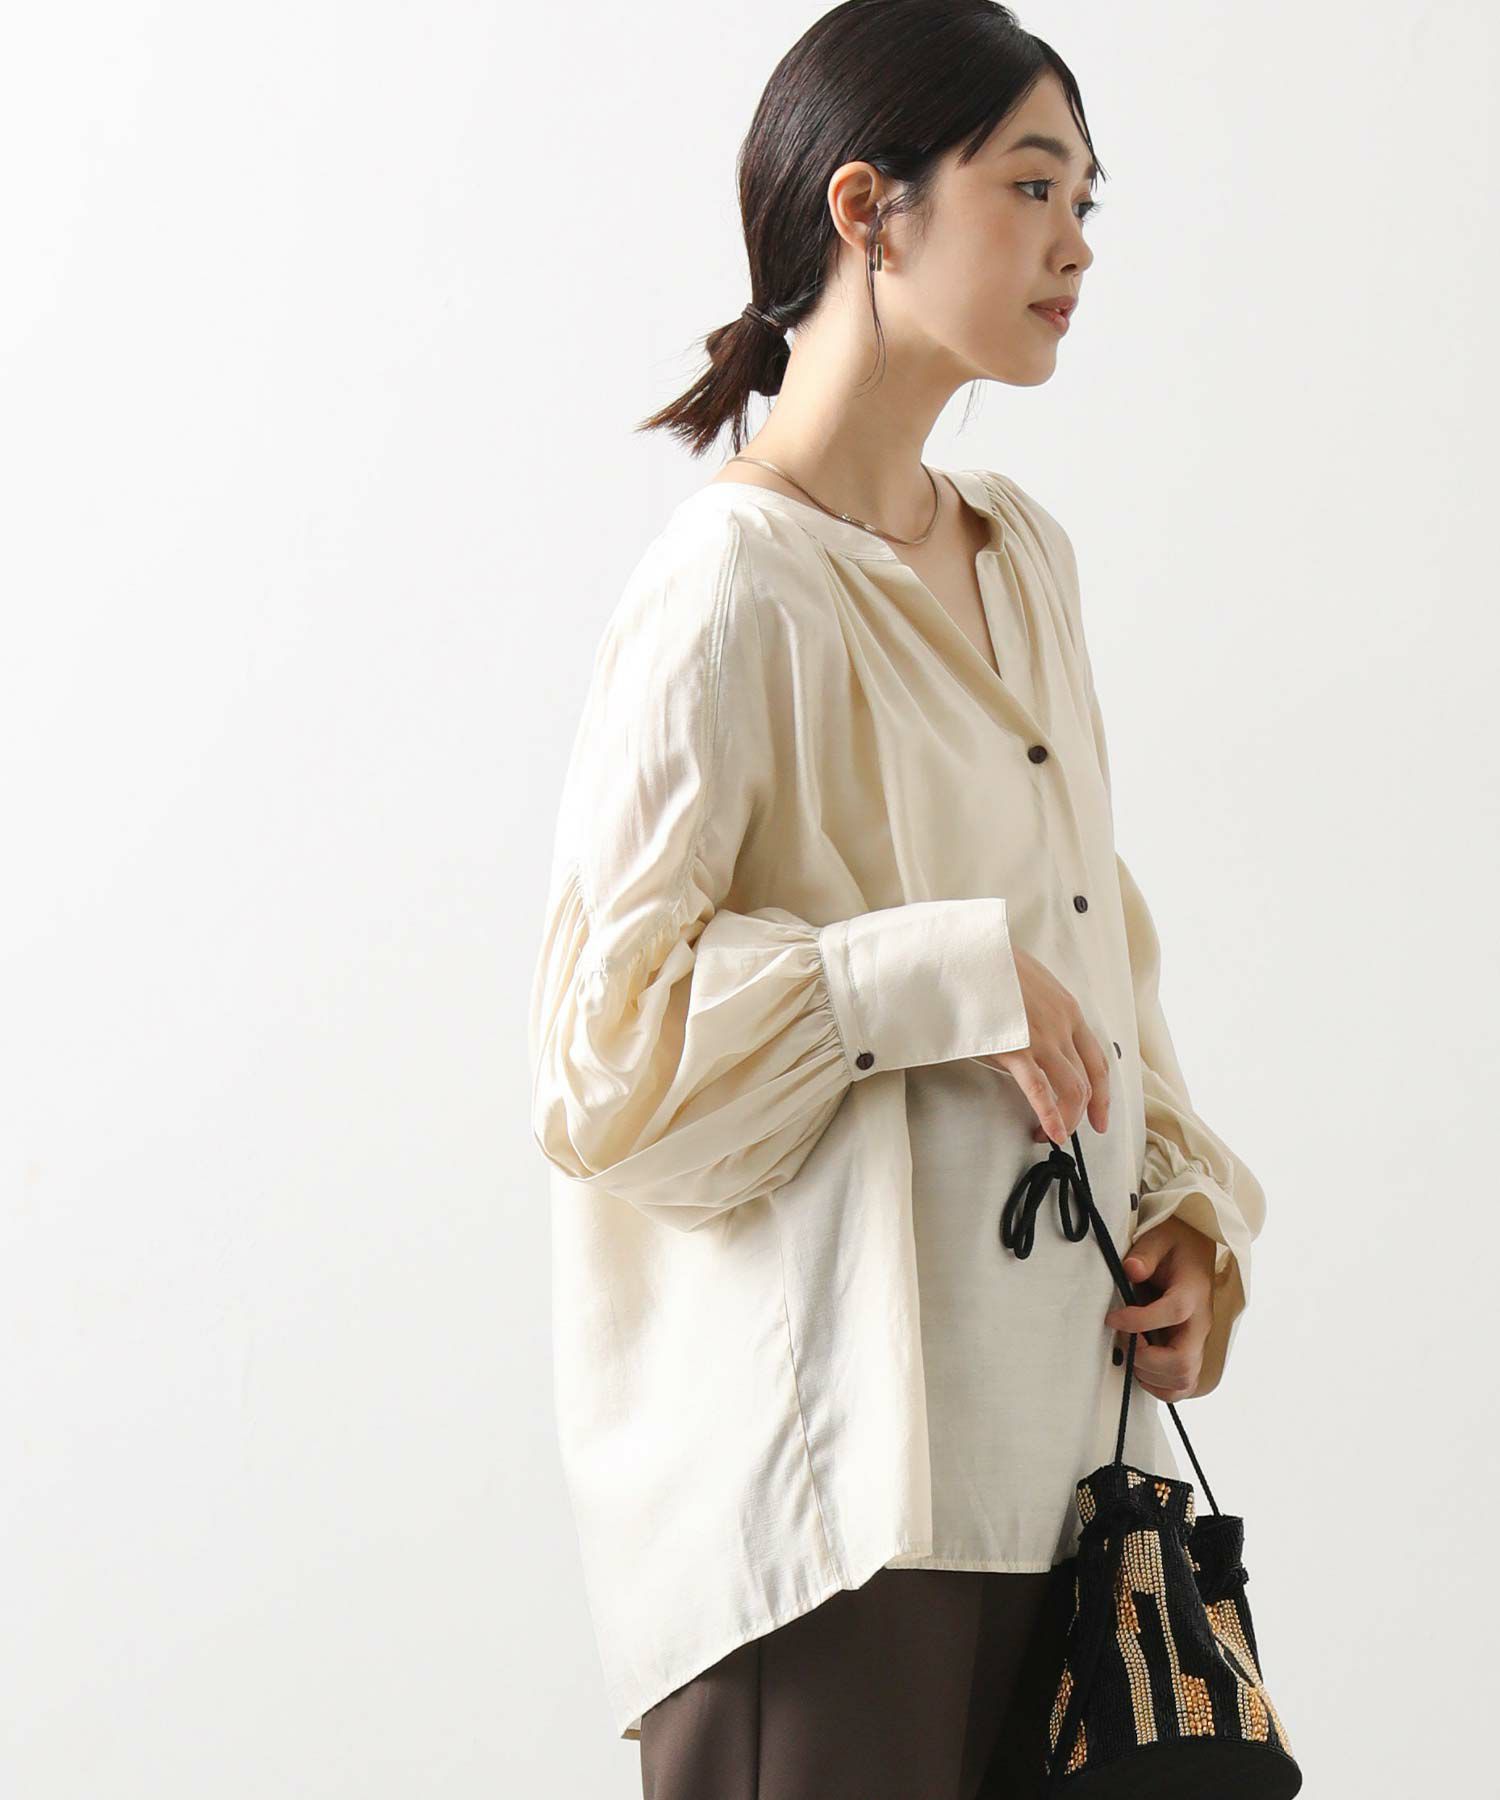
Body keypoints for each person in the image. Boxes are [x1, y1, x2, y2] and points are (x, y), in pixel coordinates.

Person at [527, 4, 1267, 1795]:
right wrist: (926, 974)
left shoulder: (1023, 557)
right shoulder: (731, 585)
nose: (1076, 243)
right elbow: (601, 1063)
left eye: (1087, 199)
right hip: (830, 1509)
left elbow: (1091, 932)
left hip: (1069, 1484)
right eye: (1031, 187)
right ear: (866, 209)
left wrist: (1182, 1207)